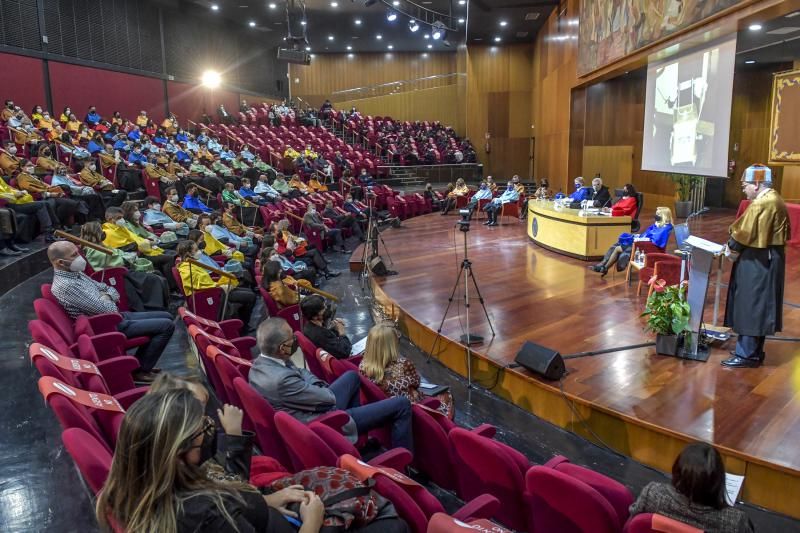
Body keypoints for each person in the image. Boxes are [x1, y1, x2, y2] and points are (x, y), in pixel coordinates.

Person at [96, 388, 328, 533]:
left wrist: (264, 502)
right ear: (177, 452)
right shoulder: (204, 516)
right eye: (202, 430)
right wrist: (312, 524)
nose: (210, 433)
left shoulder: (139, 489)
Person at [249, 317, 413, 450]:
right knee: (402, 404)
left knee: (352, 377)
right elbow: (327, 397)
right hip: (323, 421)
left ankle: (358, 442)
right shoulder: (282, 381)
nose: (295, 339)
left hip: (311, 404)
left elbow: (301, 371)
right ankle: (405, 467)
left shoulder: (259, 365)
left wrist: (314, 385)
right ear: (282, 348)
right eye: (292, 337)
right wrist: (317, 387)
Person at [47, 241, 174, 382]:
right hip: (107, 326)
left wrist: (106, 296)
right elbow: (109, 308)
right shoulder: (66, 286)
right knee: (166, 326)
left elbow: (106, 288)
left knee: (167, 315)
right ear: (60, 262)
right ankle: (140, 370)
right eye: (74, 255)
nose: (80, 257)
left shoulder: (75, 273)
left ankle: (139, 363)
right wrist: (107, 296)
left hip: (116, 317)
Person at [722, 164, 789, 368]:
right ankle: (753, 351)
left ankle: (746, 355)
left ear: (757, 183)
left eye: (746, 184)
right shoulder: (774, 198)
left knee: (751, 304)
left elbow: (743, 233)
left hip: (758, 260)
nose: (743, 188)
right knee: (759, 304)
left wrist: (730, 247)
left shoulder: (763, 203)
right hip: (767, 258)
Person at [629, 443, 754, 532]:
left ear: (677, 470)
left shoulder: (652, 494)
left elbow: (630, 524)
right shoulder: (734, 522)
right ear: (718, 481)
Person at [359, 323, 453, 418]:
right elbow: (416, 382)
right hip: (410, 410)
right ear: (391, 346)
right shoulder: (404, 364)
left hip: (380, 411)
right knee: (446, 395)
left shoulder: (363, 366)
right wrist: (409, 383)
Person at [79, 222, 169, 312]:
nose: (103, 233)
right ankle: (155, 309)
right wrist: (128, 257)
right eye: (100, 231)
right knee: (154, 279)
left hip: (123, 270)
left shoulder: (99, 245)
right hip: (116, 275)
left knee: (156, 273)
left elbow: (117, 252)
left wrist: (129, 256)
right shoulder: (92, 250)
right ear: (96, 233)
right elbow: (115, 261)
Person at [176, 241, 256, 327]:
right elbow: (197, 285)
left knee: (248, 291)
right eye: (196, 250)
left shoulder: (192, 263)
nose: (199, 251)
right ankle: (242, 327)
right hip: (214, 293)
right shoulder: (186, 268)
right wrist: (219, 286)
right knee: (251, 296)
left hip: (215, 288)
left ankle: (240, 323)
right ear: (189, 253)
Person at [590, 206, 674, 276]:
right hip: (642, 243)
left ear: (664, 216)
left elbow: (656, 241)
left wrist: (640, 239)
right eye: (656, 214)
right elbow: (647, 234)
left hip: (649, 248)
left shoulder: (665, 228)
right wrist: (638, 236)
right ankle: (602, 265)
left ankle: (605, 268)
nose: (656, 216)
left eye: (658, 214)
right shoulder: (657, 225)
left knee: (617, 249)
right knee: (616, 245)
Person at [301, 295, 351, 360]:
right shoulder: (320, 335)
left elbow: (329, 340)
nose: (327, 308)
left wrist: (335, 329)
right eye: (323, 308)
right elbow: (345, 352)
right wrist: (342, 333)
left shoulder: (308, 326)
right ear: (314, 316)